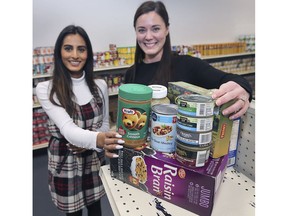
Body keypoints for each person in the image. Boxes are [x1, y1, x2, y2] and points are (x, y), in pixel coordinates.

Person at [36, 25, 124, 216]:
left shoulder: (100, 86)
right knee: (73, 213)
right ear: (59, 52)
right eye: (68, 48)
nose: (75, 55)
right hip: (65, 163)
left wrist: (92, 144)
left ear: (88, 53)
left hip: (93, 160)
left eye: (81, 49)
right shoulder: (46, 89)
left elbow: (104, 124)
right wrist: (98, 140)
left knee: (96, 209)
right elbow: (68, 130)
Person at [125, 1, 253, 120]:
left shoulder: (188, 65)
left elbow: (230, 79)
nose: (148, 36)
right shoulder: (131, 73)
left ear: (167, 29)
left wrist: (243, 89)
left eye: (155, 29)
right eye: (142, 30)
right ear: (135, 32)